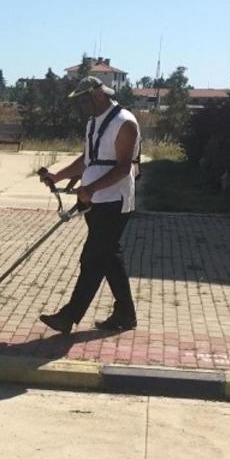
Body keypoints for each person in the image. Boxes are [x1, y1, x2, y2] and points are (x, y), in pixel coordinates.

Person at [37, 76, 139, 334]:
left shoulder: (124, 123)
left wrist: (91, 188)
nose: (81, 107)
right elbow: (87, 160)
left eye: (84, 101)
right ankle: (126, 314)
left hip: (114, 202)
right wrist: (58, 176)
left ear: (99, 95)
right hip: (93, 202)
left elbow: (123, 168)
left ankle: (69, 316)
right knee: (109, 257)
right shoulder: (93, 123)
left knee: (93, 258)